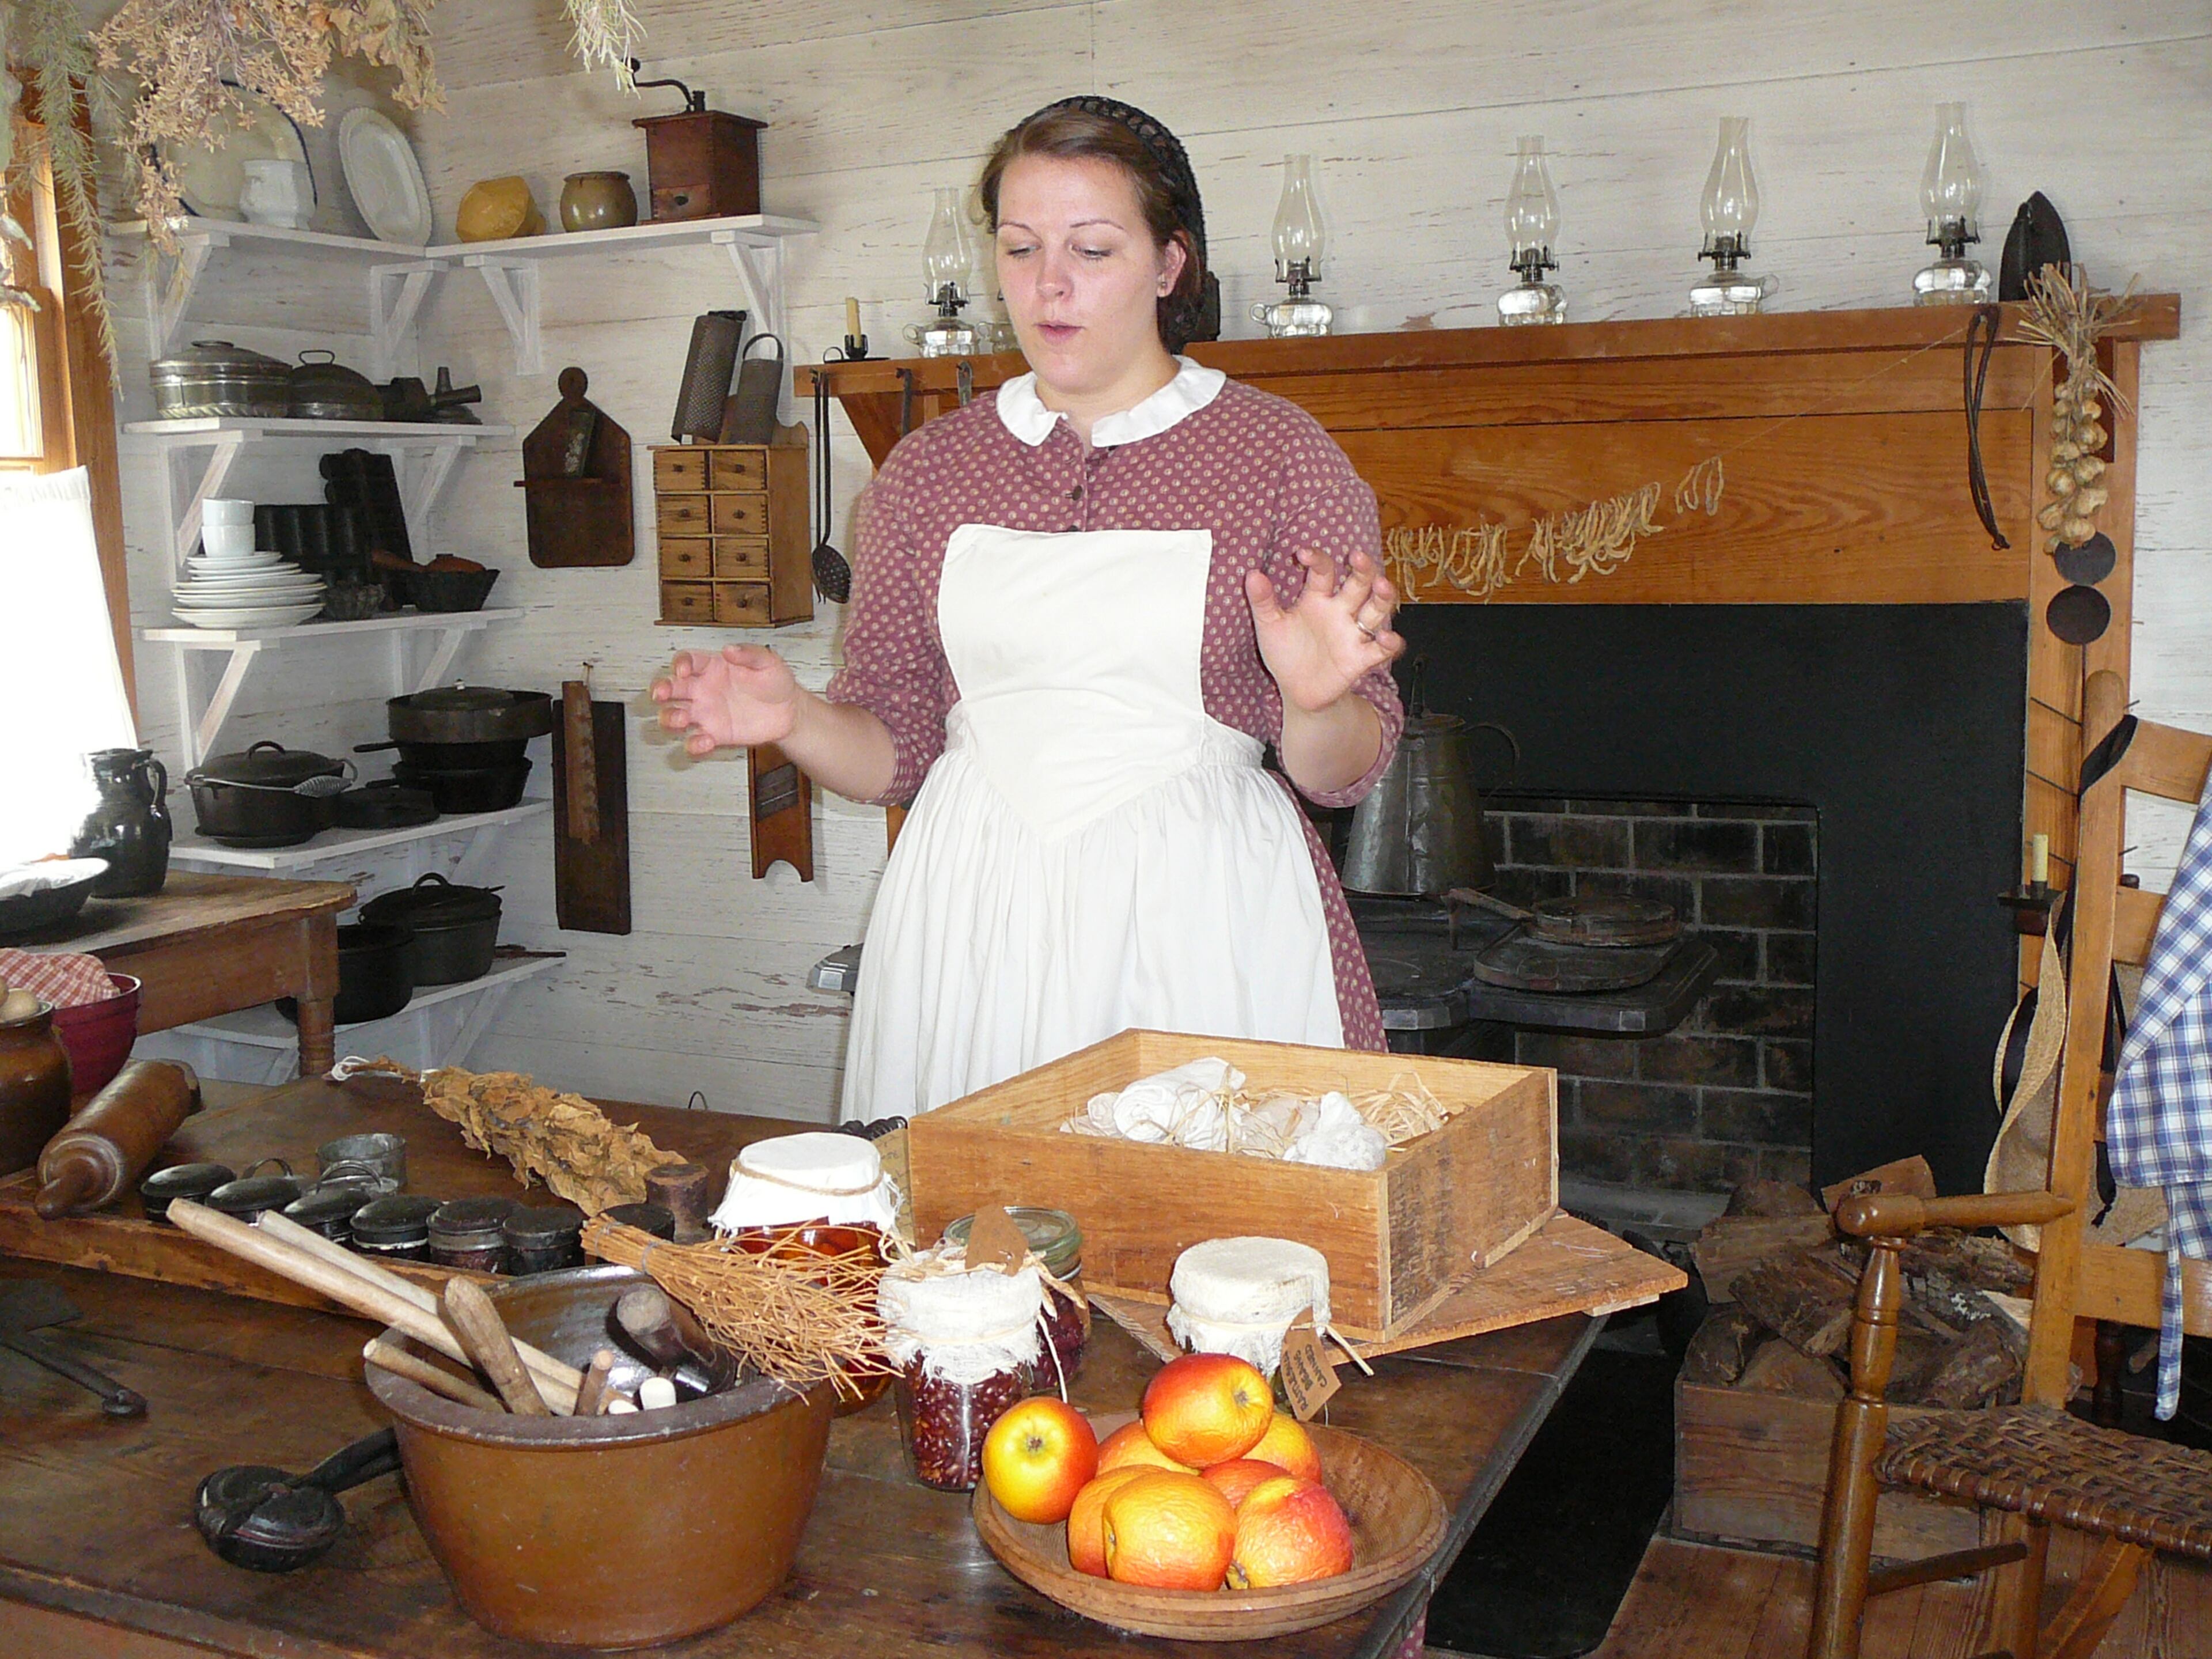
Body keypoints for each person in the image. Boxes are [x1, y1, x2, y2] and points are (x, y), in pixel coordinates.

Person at [652, 97, 1405, 1121]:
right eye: (1019, 248)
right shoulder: (928, 472)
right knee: (973, 1249)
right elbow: (897, 746)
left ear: (1169, 263)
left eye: (1092, 250)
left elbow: (1347, 770)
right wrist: (793, 721)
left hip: (1199, 916)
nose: (1048, 285)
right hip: (973, 916)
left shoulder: (1277, 455)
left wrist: (1315, 701)